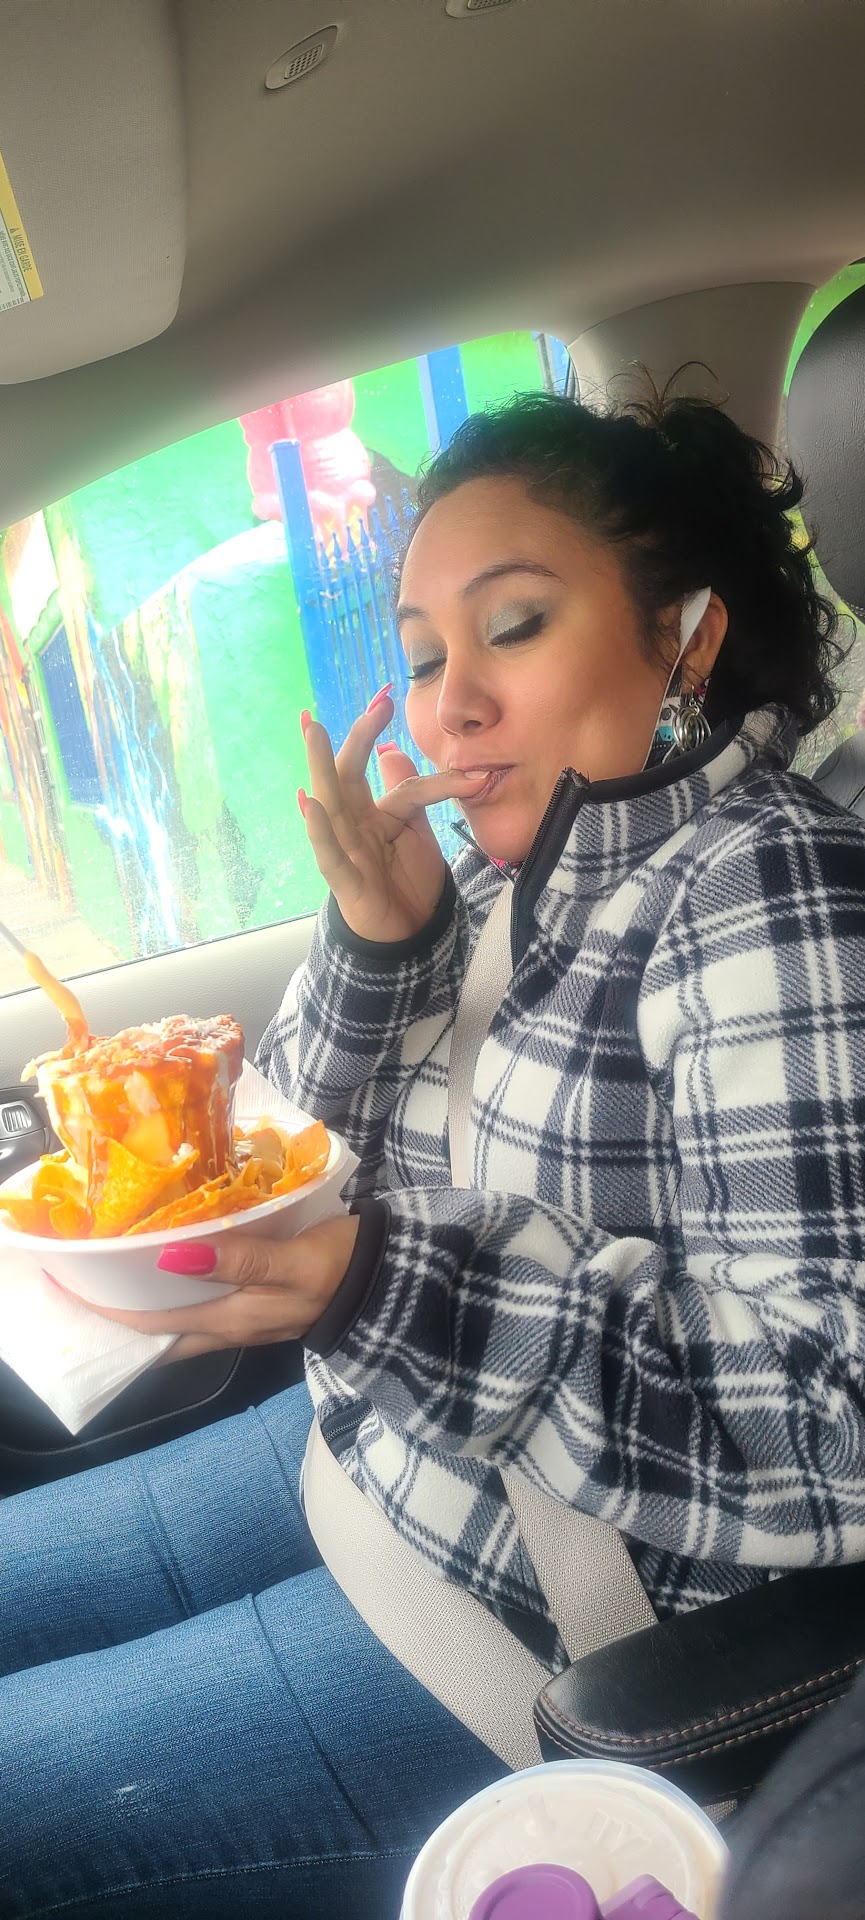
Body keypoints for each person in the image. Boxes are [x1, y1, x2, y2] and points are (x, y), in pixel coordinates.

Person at [3, 390, 865, 1918]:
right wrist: (379, 944)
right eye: (417, 656)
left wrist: (392, 1284)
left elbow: (832, 1422)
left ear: (684, 639)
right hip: (366, 1453)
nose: (445, 703)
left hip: (531, 1622)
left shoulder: (772, 894)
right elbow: (286, 1152)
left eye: (512, 625)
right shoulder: (501, 872)